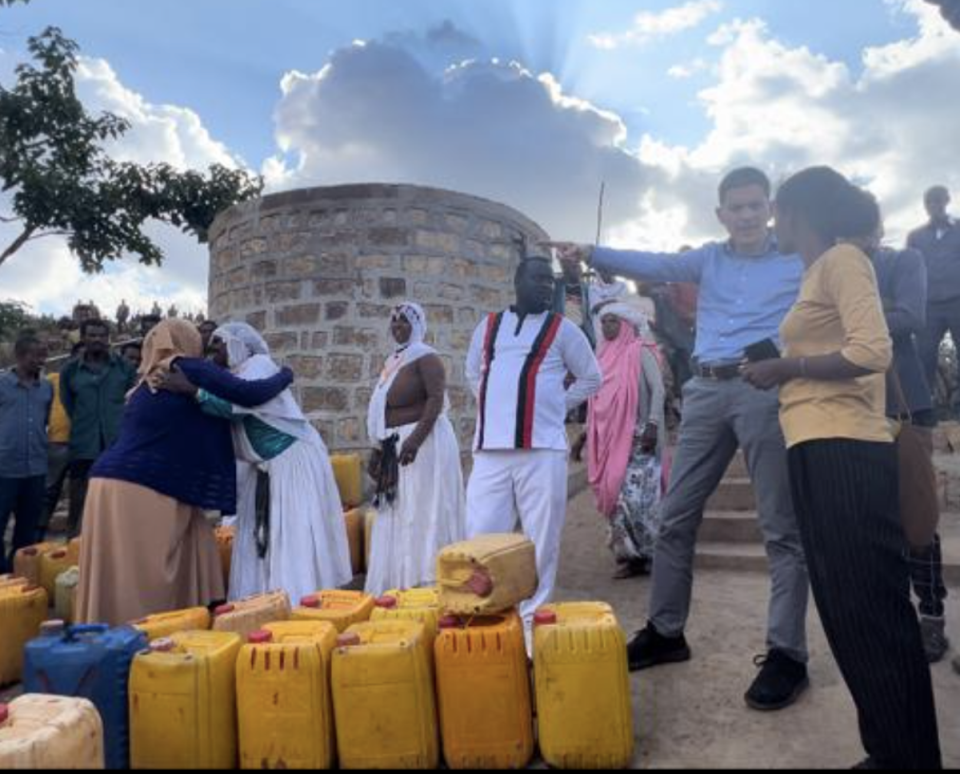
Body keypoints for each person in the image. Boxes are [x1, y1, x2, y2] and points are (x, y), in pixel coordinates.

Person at [550, 167, 811, 712]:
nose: (745, 215)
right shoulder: (708, 259)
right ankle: (667, 632)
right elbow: (656, 263)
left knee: (781, 528)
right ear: (720, 214)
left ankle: (788, 654)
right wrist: (593, 252)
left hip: (763, 391)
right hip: (706, 392)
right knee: (674, 518)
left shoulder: (797, 260)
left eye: (754, 206)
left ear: (769, 209)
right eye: (735, 207)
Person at [743, 167, 941, 770]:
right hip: (814, 445)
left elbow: (871, 352)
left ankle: (908, 758)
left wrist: (787, 370)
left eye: (777, 211)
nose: (772, 222)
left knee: (872, 610)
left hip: (846, 451)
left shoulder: (843, 261)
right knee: (848, 612)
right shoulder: (816, 272)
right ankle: (890, 749)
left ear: (802, 211)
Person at [76, 320, 294, 626]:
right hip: (142, 485)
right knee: (147, 578)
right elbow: (251, 394)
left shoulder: (146, 381)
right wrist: (286, 374)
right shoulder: (186, 366)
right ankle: (145, 640)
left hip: (106, 483)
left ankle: (133, 631)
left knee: (194, 544)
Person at [160, 323, 353, 603]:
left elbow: (242, 403)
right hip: (263, 466)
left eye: (219, 343)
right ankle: (265, 597)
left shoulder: (259, 365)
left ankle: (298, 599)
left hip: (291, 461)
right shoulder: (231, 376)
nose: (213, 349)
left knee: (291, 533)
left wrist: (194, 392)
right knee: (261, 536)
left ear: (238, 344)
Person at [465, 256, 602, 645]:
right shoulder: (488, 327)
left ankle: (529, 624)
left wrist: (555, 405)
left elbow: (593, 377)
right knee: (480, 534)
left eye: (549, 281)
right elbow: (473, 374)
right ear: (517, 281)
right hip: (490, 450)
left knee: (542, 540)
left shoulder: (564, 330)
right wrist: (496, 406)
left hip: (542, 450)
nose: (545, 286)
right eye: (538, 279)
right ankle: (487, 612)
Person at [847, 215, 950, 664]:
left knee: (918, 514)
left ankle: (931, 618)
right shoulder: (833, 269)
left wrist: (851, 318)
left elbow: (911, 317)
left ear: (875, 229)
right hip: (854, 407)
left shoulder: (905, 260)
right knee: (870, 519)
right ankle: (891, 617)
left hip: (905, 402)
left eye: (860, 228)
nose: (852, 238)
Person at [365, 303, 466, 596]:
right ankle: (400, 581)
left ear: (417, 325)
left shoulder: (426, 356)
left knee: (422, 508)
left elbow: (436, 400)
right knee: (400, 510)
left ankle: (426, 580)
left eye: (405, 322)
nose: (398, 327)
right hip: (395, 444)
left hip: (424, 445)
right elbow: (382, 407)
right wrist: (378, 449)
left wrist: (415, 439)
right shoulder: (393, 361)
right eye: (394, 322)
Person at [573, 295, 667, 579]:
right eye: (604, 322)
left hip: (640, 438)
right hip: (609, 442)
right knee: (615, 500)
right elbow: (597, 404)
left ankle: (651, 555)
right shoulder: (600, 358)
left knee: (639, 500)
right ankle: (630, 558)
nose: (608, 326)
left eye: (613, 321)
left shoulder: (640, 352)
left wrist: (652, 424)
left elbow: (658, 390)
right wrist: (584, 436)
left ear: (626, 324)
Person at [60, 319, 137, 538]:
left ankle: (115, 549)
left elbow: (132, 404)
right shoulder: (70, 371)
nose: (97, 340)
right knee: (79, 503)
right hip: (83, 446)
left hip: (117, 447)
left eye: (102, 335)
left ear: (108, 338)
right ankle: (74, 550)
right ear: (83, 338)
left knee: (118, 502)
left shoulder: (125, 368)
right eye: (91, 335)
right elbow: (69, 405)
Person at [0, 333, 52, 572]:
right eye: (37, 355)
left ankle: (17, 573)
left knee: (26, 528)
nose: (42, 359)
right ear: (20, 356)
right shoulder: (2, 384)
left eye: (45, 354)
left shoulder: (47, 388)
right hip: (4, 467)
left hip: (36, 469)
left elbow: (46, 420)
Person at [908, 186, 960, 417]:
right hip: (928, 305)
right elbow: (908, 271)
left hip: (958, 301)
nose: (934, 206)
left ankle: (958, 405)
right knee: (923, 355)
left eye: (938, 201)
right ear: (925, 206)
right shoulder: (915, 236)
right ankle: (923, 408)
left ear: (947, 201)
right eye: (930, 202)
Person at [39, 343, 83, 540]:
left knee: (79, 496)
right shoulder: (52, 380)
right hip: (55, 443)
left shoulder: (95, 381)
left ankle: (73, 542)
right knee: (48, 493)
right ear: (69, 358)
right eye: (78, 356)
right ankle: (36, 537)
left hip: (84, 446)